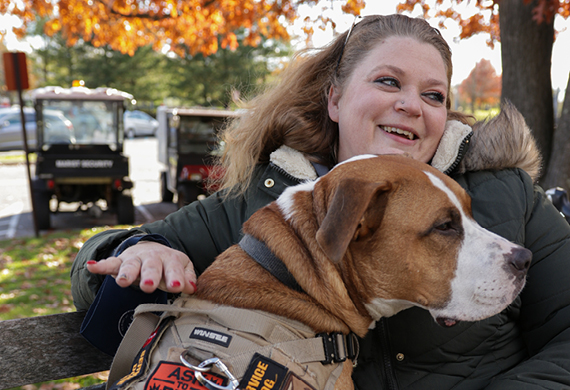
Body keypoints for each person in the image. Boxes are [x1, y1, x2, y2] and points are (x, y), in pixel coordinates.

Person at [71, 14, 570, 389]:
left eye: (434, 95)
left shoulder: (502, 191)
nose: (411, 104)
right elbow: (100, 269)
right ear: (334, 99)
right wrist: (138, 250)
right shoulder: (266, 204)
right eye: (388, 81)